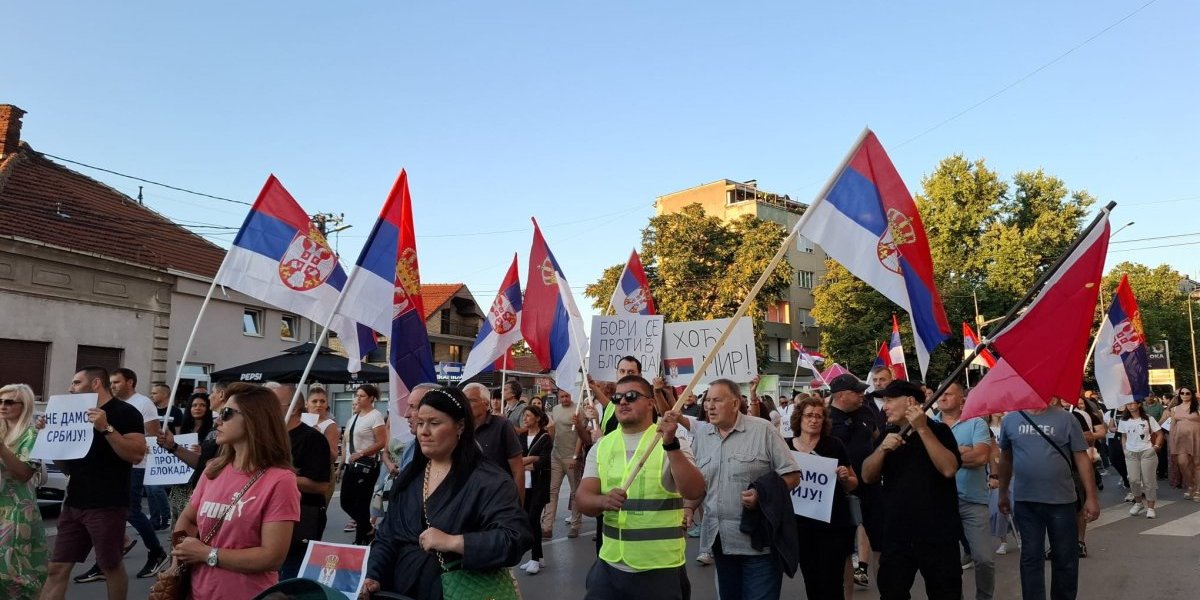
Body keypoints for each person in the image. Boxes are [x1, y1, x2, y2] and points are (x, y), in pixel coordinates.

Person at [362, 386, 532, 599]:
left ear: (460, 426)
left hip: (459, 589)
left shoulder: (489, 481)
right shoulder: (409, 478)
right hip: (401, 589)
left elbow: (514, 538)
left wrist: (454, 542)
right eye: (420, 423)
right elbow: (387, 536)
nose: (424, 431)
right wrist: (374, 574)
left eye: (434, 423)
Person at [577, 375, 706, 600]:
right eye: (617, 397)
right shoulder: (602, 446)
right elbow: (583, 499)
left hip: (660, 569)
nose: (622, 401)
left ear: (651, 403)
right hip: (610, 566)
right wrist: (603, 501)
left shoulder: (671, 440)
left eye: (631, 396)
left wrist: (671, 445)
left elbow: (695, 491)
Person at [170, 383, 300, 600]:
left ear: (254, 419)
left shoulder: (280, 480)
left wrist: (208, 554)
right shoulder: (213, 469)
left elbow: (272, 557)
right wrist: (180, 557)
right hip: (197, 592)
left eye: (227, 414)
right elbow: (189, 518)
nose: (217, 421)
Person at [40, 367, 148, 600]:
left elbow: (136, 454)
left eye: (76, 382)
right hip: (74, 503)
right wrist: (49, 438)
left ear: (96, 383)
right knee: (57, 568)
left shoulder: (125, 412)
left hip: (107, 504)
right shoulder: (74, 414)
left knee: (110, 566)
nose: (70, 388)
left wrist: (106, 428)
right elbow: (66, 467)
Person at [691, 378, 799, 600]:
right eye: (707, 400)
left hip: (759, 544)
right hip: (720, 542)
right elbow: (699, 484)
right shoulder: (702, 436)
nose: (709, 406)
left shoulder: (763, 430)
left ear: (734, 403)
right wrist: (688, 508)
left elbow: (792, 476)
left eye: (717, 400)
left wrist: (762, 494)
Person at [861, 380, 962, 600]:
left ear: (910, 402)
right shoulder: (888, 434)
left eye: (889, 400)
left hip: (937, 533)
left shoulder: (939, 430)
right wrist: (882, 450)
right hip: (897, 534)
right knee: (892, 592)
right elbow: (867, 476)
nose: (885, 407)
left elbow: (948, 469)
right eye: (884, 401)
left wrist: (922, 429)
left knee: (945, 593)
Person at [72, 368, 169, 583]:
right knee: (112, 514)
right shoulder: (104, 405)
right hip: (107, 468)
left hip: (135, 465)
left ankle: (156, 552)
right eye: (112, 382)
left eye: (117, 382)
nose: (113, 385)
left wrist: (136, 447)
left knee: (131, 511)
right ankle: (108, 558)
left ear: (130, 382)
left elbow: (153, 434)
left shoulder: (142, 403)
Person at [997, 399, 1100, 600]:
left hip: (1062, 501)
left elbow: (1081, 458)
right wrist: (1002, 493)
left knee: (1065, 558)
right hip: (1026, 501)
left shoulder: (1066, 419)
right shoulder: (1010, 420)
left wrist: (1091, 497)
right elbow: (1006, 459)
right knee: (1031, 557)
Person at [790, 396, 857, 600]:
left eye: (819, 416)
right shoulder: (786, 447)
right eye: (809, 415)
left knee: (832, 581)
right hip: (800, 527)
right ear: (799, 418)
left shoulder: (834, 445)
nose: (814, 420)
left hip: (832, 526)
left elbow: (854, 483)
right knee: (811, 580)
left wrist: (845, 477)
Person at [932, 382, 994, 599]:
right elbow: (926, 461)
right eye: (940, 393)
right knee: (946, 562)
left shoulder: (976, 423)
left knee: (983, 558)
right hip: (940, 502)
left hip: (973, 501)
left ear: (962, 399)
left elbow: (981, 457)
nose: (942, 397)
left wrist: (944, 457)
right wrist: (962, 452)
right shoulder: (929, 425)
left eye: (948, 394)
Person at [268, 384, 332, 578]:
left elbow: (321, 485)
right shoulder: (270, 438)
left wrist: (279, 477)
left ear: (294, 408)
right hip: (269, 516)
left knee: (290, 578)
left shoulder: (313, 439)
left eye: (273, 403)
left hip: (300, 518)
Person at [827, 373, 880, 589]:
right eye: (857, 391)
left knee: (880, 541)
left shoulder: (866, 412)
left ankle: (883, 585)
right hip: (841, 490)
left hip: (871, 486)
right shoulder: (826, 419)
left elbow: (877, 437)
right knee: (844, 549)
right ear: (841, 395)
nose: (862, 395)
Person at [0, 383, 48, 599]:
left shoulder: (33, 435)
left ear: (24, 405)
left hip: (15, 511)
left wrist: (2, 449)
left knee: (13, 573)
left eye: (10, 402)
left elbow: (24, 473)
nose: (3, 406)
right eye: (0, 401)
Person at [463, 382, 525, 505]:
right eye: (463, 400)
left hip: (498, 500)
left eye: (471, 400)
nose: (466, 404)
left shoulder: (502, 426)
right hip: (468, 500)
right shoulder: (458, 428)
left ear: (486, 404)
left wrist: (518, 506)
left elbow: (518, 469)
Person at [340, 384, 387, 546]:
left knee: (361, 503)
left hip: (365, 466)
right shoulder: (354, 417)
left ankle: (361, 539)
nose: (358, 398)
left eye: (362, 396)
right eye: (357, 395)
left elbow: (382, 442)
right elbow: (347, 442)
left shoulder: (375, 416)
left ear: (371, 398)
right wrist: (342, 463)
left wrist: (361, 453)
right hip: (351, 465)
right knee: (345, 501)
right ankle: (368, 529)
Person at [543, 386, 584, 539]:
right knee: (551, 491)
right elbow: (553, 431)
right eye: (562, 396)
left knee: (575, 493)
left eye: (567, 396)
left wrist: (576, 456)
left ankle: (575, 525)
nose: (565, 399)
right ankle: (547, 527)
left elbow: (581, 435)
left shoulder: (578, 409)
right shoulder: (555, 409)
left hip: (571, 456)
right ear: (558, 397)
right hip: (556, 456)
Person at [519, 405, 553, 574]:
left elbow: (543, 462)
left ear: (537, 418)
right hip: (524, 485)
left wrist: (529, 461)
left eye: (528, 415)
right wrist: (532, 459)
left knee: (533, 519)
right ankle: (539, 557)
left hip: (539, 485)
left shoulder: (545, 437)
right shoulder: (521, 436)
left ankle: (534, 559)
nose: (524, 419)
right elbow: (516, 460)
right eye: (523, 416)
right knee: (529, 520)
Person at [1117, 400, 1163, 518]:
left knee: (1149, 481)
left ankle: (1151, 508)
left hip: (1147, 452)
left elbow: (1160, 434)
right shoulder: (1123, 420)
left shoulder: (1148, 418)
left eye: (1133, 403)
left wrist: (1156, 447)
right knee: (1133, 480)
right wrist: (1125, 449)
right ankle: (1138, 503)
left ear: (1139, 404)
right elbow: (1123, 436)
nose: (1130, 405)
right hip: (1131, 453)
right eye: (1128, 403)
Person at [148, 383, 183, 530]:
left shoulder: (176, 412)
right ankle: (155, 519)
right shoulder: (151, 411)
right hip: (152, 453)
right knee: (149, 488)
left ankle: (166, 515)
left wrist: (170, 437)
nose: (152, 396)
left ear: (165, 394)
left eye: (155, 393)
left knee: (156, 488)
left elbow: (179, 435)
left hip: (167, 455)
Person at [1168, 386, 1200, 499]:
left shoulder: (1197, 407)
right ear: (1179, 395)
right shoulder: (1174, 409)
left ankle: (1198, 490)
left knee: (1197, 464)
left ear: (1192, 395)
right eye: (1182, 393)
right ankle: (1192, 485)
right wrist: (1171, 441)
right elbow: (1172, 426)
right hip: (1180, 439)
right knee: (1182, 463)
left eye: (1187, 393)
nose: (1185, 395)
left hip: (1196, 438)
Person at [306, 386, 340, 464]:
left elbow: (333, 458)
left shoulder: (330, 425)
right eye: (314, 401)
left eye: (322, 401)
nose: (319, 404)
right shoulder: (299, 420)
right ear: (306, 403)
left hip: (317, 467)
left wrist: (319, 437)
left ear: (326, 404)